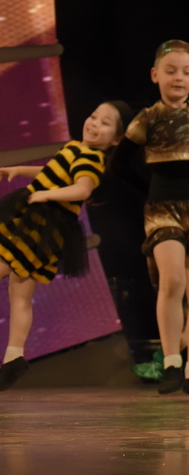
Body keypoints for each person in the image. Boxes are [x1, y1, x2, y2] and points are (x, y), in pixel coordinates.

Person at [0, 100, 132, 389]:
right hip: (36, 223)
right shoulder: (74, 147)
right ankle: (14, 357)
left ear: (116, 139)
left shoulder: (91, 159)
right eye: (94, 116)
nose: (94, 124)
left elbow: (82, 189)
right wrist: (19, 170)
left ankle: (14, 356)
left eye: (105, 123)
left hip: (41, 227)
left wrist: (46, 195)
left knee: (16, 285)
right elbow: (51, 172)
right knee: (19, 292)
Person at [125, 40, 189, 402]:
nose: (178, 78)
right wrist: (151, 192)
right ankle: (171, 362)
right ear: (155, 75)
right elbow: (121, 163)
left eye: (186, 71)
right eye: (170, 71)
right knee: (173, 280)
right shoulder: (148, 118)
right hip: (162, 209)